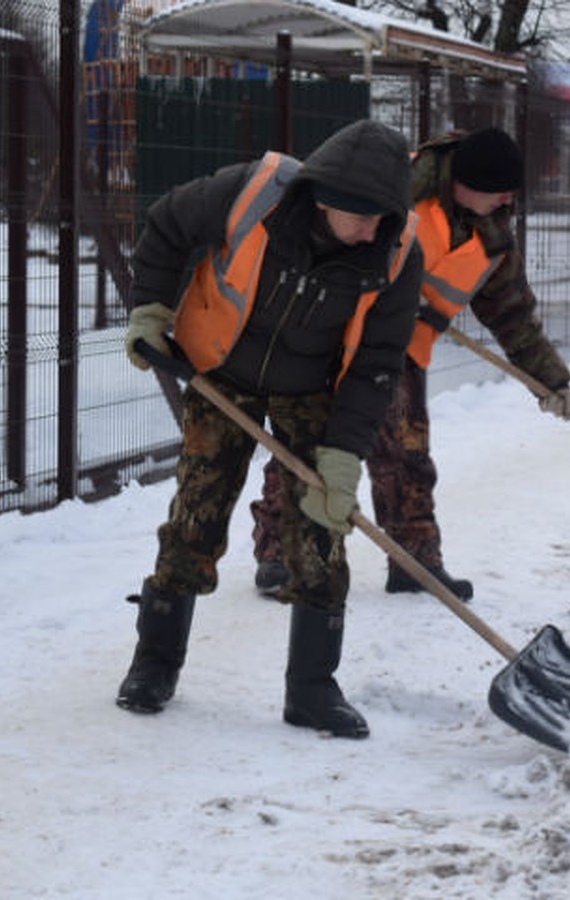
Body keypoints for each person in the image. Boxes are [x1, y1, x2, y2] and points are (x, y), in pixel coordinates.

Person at [116, 119, 424, 740]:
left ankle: (311, 687)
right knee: (197, 512)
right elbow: (167, 226)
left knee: (320, 525)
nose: (373, 232)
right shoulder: (249, 193)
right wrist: (151, 308)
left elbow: (377, 362)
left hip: (313, 387)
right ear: (328, 200)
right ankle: (154, 663)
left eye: (383, 219)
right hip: (219, 370)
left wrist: (344, 456)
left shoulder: (395, 250)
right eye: (363, 218)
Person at [251, 127, 570, 602]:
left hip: (399, 352)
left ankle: (414, 562)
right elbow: (333, 238)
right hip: (332, 336)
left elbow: (511, 311)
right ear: (464, 181)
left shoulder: (491, 233)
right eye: (498, 188)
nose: (508, 198)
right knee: (306, 442)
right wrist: (388, 290)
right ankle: (278, 551)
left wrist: (549, 379)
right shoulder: (396, 188)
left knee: (406, 455)